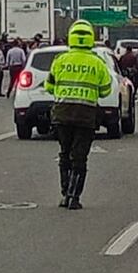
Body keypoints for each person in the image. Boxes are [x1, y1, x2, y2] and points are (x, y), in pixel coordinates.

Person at [45, 20, 113, 210]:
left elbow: (49, 86)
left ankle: (65, 194)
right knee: (80, 157)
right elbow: (106, 91)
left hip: (62, 113)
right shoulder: (97, 62)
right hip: (86, 115)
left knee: (64, 153)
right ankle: (74, 197)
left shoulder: (60, 60)